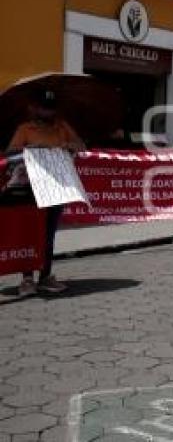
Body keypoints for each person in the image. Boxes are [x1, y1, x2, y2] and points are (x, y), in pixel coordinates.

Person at [6, 89, 85, 296]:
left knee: (48, 234)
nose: (48, 113)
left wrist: (69, 145)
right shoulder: (25, 129)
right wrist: (30, 148)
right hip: (30, 190)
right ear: (35, 109)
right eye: (44, 108)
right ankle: (27, 279)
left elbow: (81, 146)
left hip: (56, 188)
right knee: (30, 233)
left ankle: (45, 276)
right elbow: (10, 153)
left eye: (51, 109)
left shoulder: (62, 127)